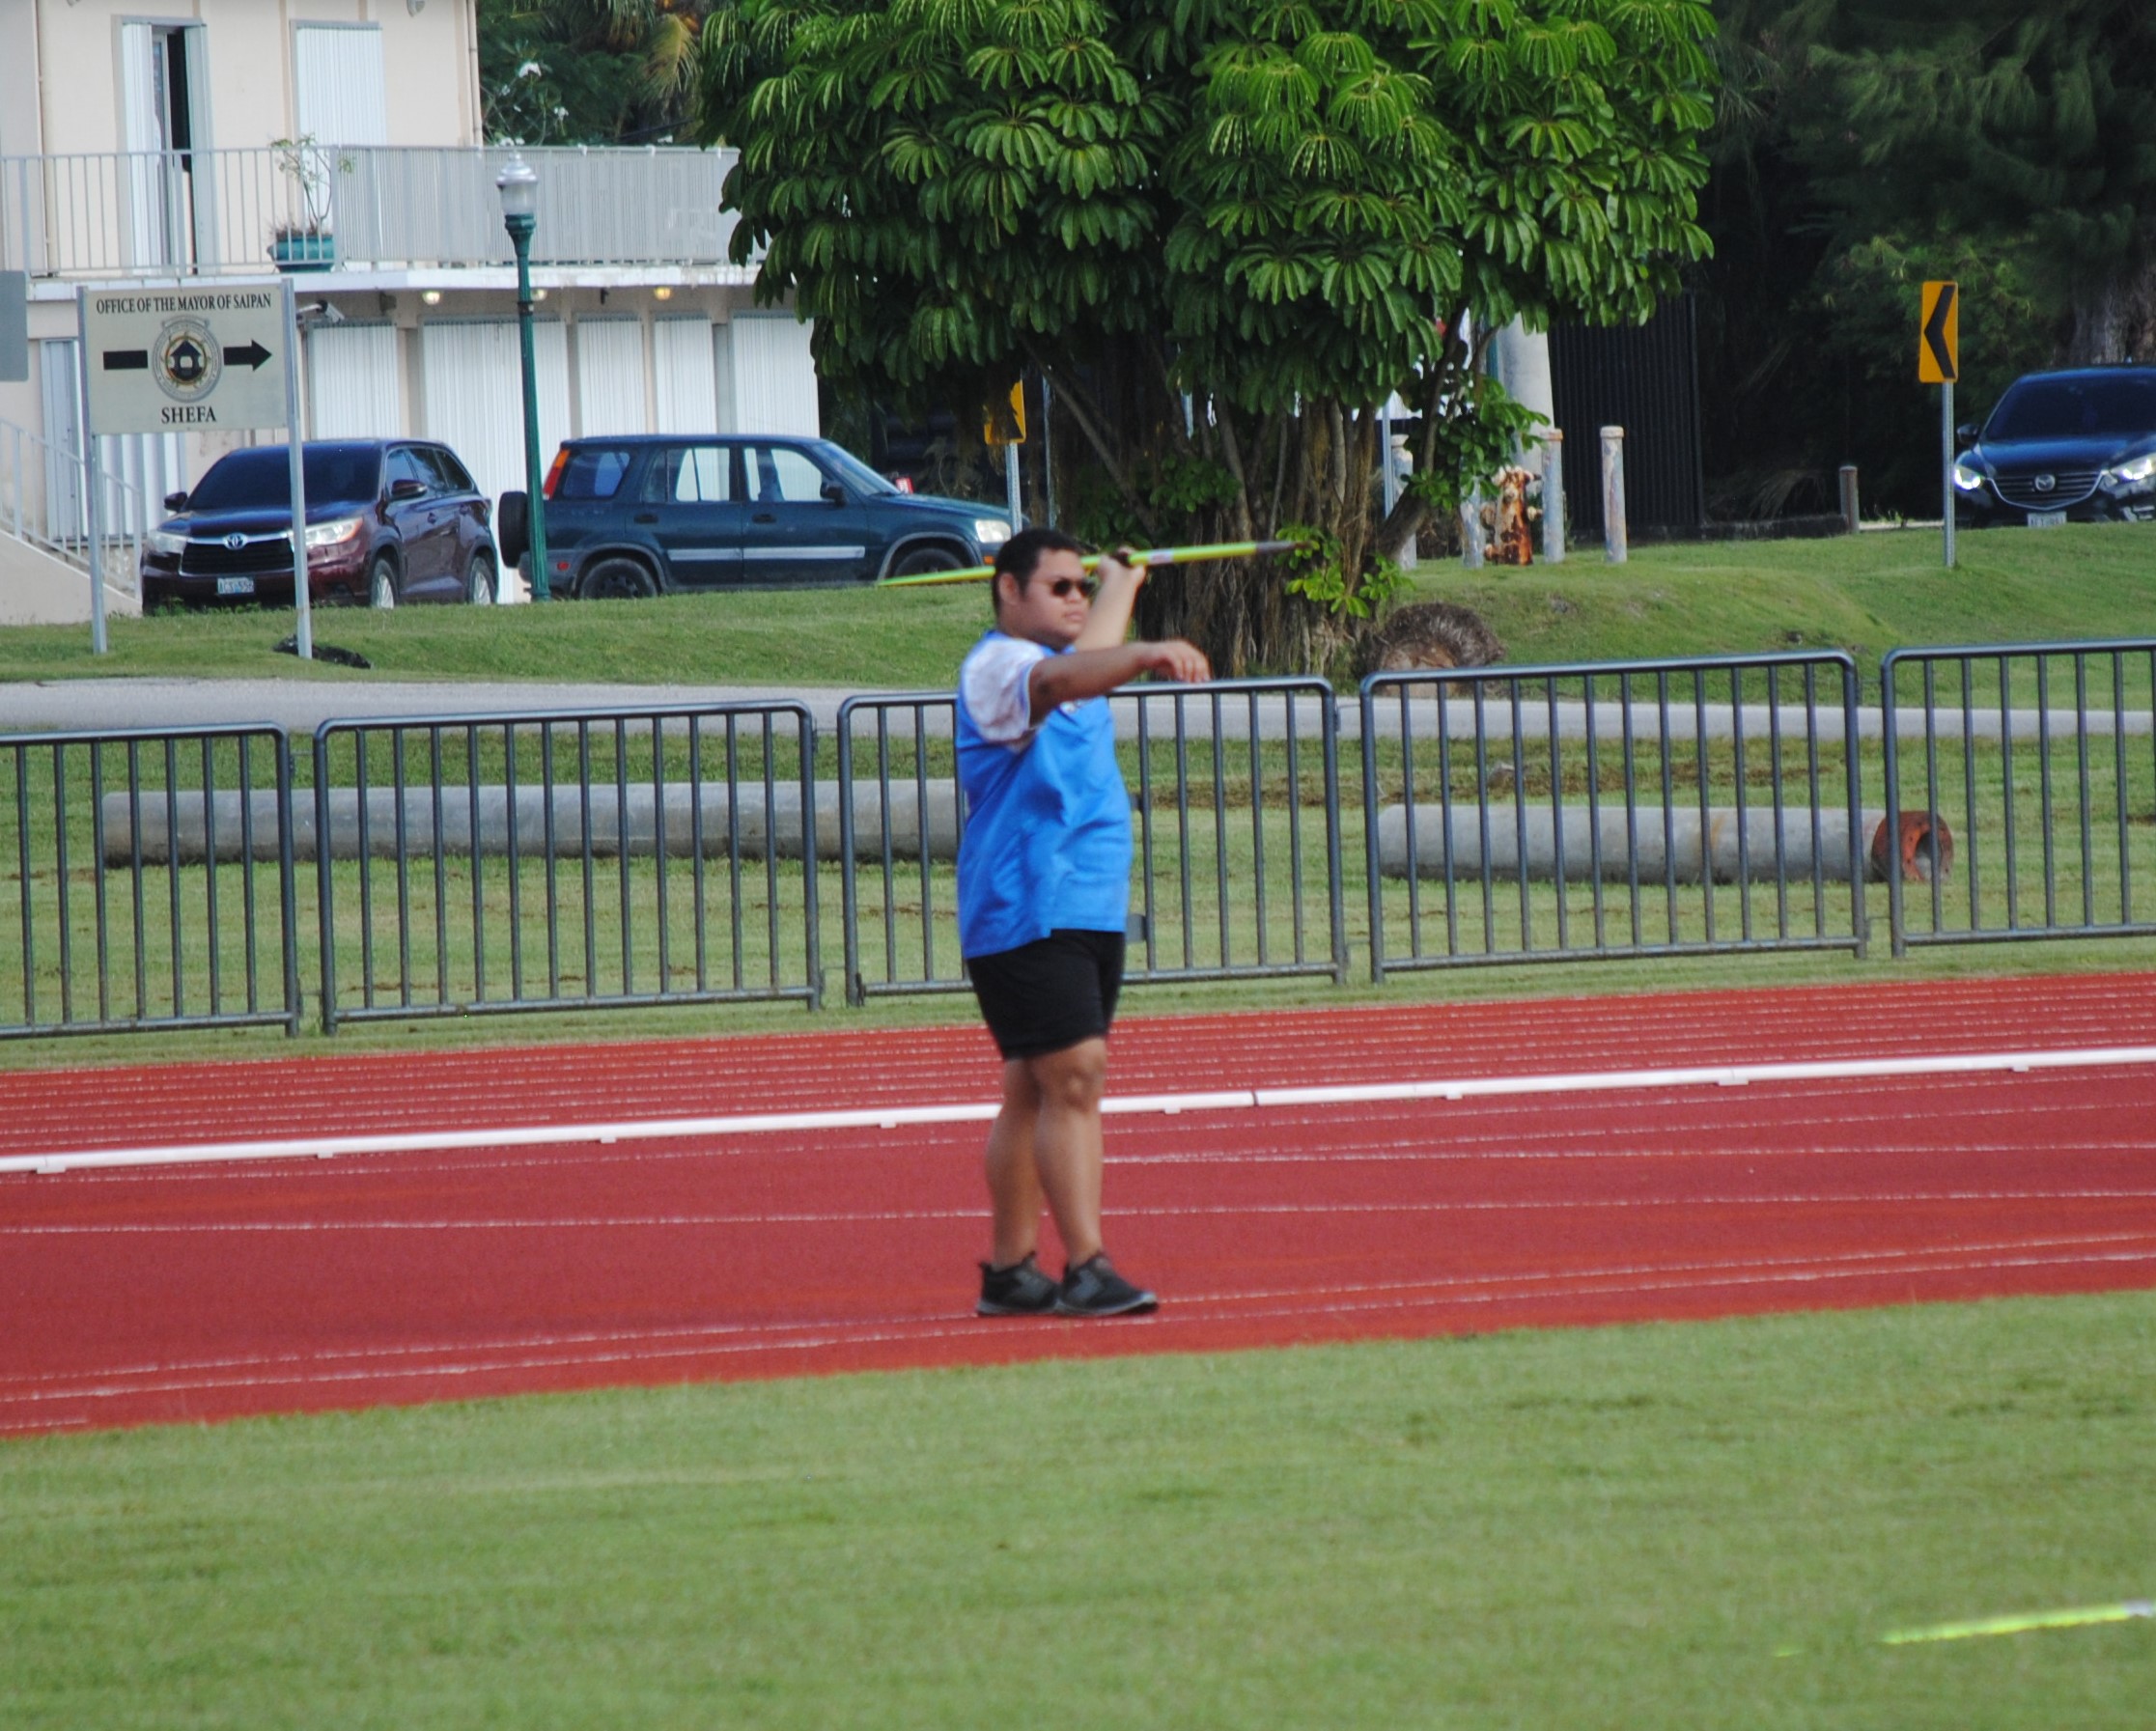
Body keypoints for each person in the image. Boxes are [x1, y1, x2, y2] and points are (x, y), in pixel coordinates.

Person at [957, 527, 1210, 1318]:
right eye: (1056, 586)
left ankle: (1009, 1273)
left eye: (1079, 586)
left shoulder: (1066, 664)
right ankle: (1088, 1266)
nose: (1074, 598)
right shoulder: (1000, 667)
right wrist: (1143, 652)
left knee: (1032, 1087)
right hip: (1028, 904)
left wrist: (1119, 586)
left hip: (1082, 901)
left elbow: (1082, 662)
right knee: (1073, 1076)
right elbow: (1069, 677)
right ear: (1007, 590)